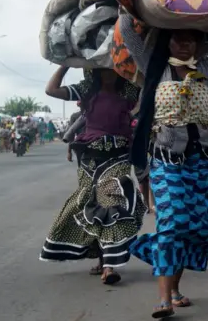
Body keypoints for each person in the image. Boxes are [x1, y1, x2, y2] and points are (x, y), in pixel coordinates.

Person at [128, 4, 208, 318]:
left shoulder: (207, 70)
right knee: (171, 225)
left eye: (189, 40)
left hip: (200, 162)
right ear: (167, 42)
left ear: (197, 44)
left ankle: (174, 288)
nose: (183, 44)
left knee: (193, 227)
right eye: (177, 38)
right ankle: (163, 301)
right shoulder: (154, 67)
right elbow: (129, 37)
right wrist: (125, 7)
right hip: (165, 159)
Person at [39, 66, 146, 285]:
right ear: (94, 71)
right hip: (89, 158)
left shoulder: (128, 89)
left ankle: (109, 266)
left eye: (112, 68)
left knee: (112, 202)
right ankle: (101, 260)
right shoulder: (87, 89)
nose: (108, 72)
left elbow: (148, 87)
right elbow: (51, 90)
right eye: (102, 68)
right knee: (91, 204)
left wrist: (133, 64)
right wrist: (66, 63)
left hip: (118, 157)